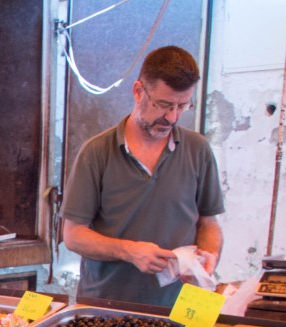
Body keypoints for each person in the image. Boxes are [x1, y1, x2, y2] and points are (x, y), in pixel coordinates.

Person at [62, 45, 224, 308]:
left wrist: (210, 255)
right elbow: (73, 235)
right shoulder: (96, 152)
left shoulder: (198, 150)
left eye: (183, 106)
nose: (172, 117)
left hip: (180, 307)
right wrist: (128, 251)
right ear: (138, 91)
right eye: (163, 104)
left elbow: (209, 222)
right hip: (106, 305)